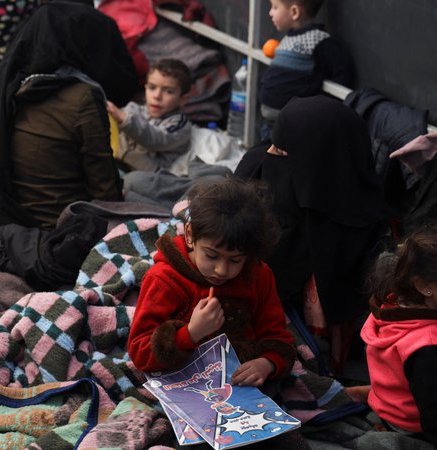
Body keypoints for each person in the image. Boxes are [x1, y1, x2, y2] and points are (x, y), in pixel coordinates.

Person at [236, 95, 388, 373]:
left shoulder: (362, 223)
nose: (270, 155)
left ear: (320, 161)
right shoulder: (258, 165)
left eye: (283, 152)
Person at [0, 1, 139, 236]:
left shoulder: (8, 88)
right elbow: (104, 189)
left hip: (10, 222)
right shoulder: (82, 96)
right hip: (63, 228)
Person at [128, 176, 296, 388]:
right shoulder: (163, 279)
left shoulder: (258, 275)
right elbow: (139, 352)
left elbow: (276, 336)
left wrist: (268, 363)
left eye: (236, 260)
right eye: (212, 255)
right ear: (190, 235)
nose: (221, 270)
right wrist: (191, 333)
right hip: (184, 386)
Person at [361, 225, 437, 446]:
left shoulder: (390, 306)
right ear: (424, 286)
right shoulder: (427, 346)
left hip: (387, 408)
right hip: (413, 426)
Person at [260, 0, 353, 126]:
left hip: (293, 124)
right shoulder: (288, 38)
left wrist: (321, 107)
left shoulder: (318, 40)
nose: (270, 12)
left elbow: (342, 71)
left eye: (275, 7)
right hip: (269, 122)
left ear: (294, 12)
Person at [107, 58, 192, 173]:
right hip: (116, 163)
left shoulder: (180, 125)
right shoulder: (134, 109)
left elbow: (156, 140)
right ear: (145, 88)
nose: (157, 96)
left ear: (183, 99)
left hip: (149, 175)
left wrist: (124, 119)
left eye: (168, 91)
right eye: (152, 88)